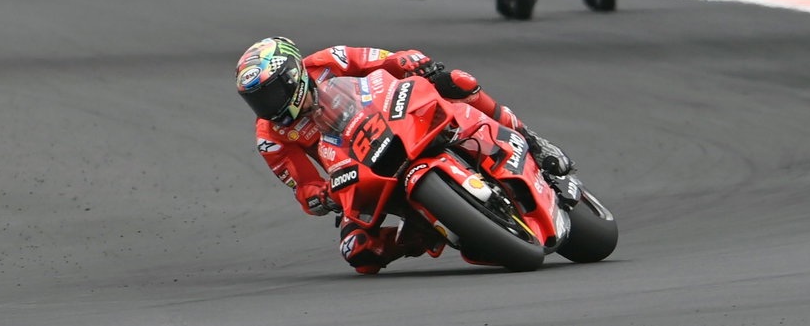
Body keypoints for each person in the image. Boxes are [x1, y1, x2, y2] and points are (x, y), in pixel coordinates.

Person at [235, 37, 574, 275]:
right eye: (257, 100)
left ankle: (533, 140)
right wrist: (322, 196)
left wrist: (405, 60)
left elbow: (381, 59)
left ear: (293, 76)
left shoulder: (327, 61)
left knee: (458, 80)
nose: (267, 107)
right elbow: (303, 189)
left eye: (270, 93)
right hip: (359, 169)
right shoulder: (270, 137)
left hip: (393, 118)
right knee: (358, 253)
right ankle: (418, 232)